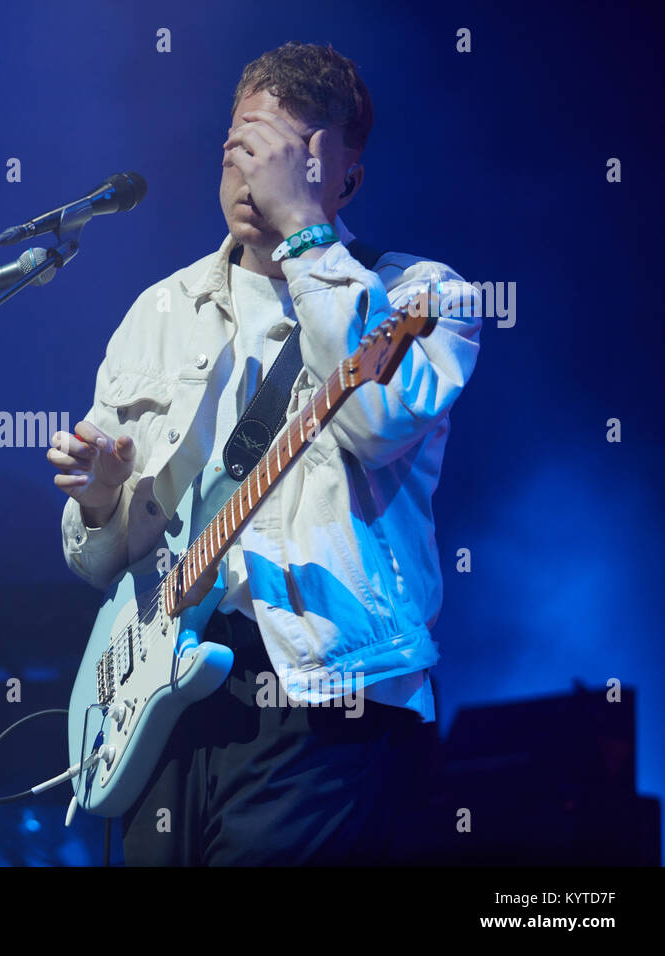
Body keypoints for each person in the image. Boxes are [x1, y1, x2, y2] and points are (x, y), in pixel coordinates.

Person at [47, 42, 482, 865]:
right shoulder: (162, 309)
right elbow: (101, 560)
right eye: (245, 150)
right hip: (160, 707)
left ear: (343, 174)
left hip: (326, 703)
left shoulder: (423, 295)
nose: (256, 179)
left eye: (289, 158)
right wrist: (101, 500)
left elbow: (377, 421)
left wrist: (306, 234)